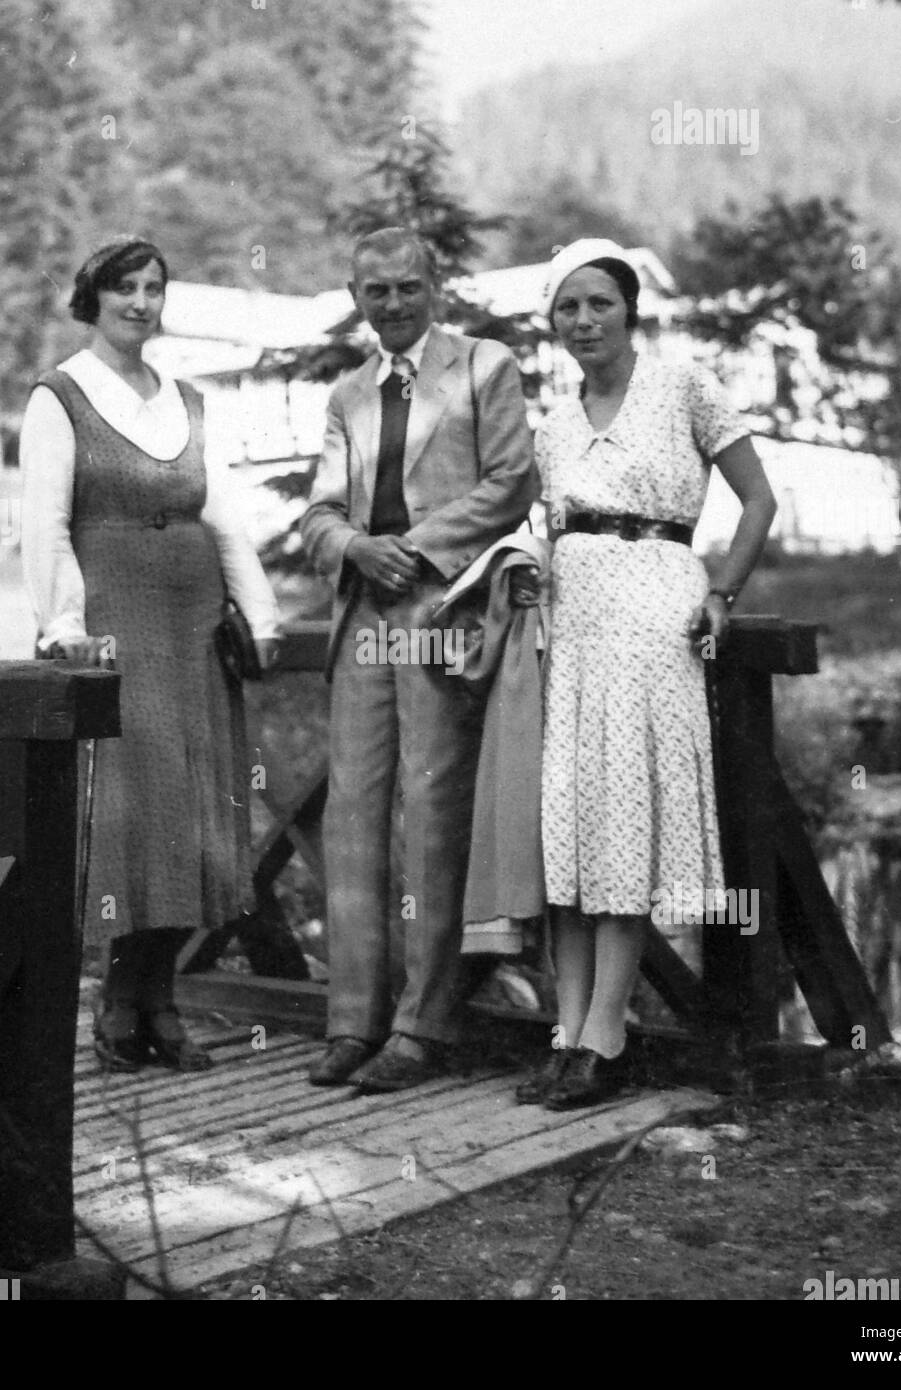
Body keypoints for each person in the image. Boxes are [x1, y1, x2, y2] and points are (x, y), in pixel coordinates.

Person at [518, 238, 777, 1110]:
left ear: (630, 310)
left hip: (655, 617)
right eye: (568, 307)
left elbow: (759, 498)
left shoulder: (683, 387)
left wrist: (724, 592)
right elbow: (547, 529)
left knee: (624, 820)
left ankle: (607, 1036)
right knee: (573, 824)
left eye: (600, 303)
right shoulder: (554, 425)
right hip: (573, 630)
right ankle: (566, 1035)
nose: (584, 320)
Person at [20, 236, 280, 1073]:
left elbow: (224, 515)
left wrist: (259, 614)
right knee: (132, 814)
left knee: (194, 811)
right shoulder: (60, 396)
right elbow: (44, 524)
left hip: (194, 619)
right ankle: (117, 1004)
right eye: (124, 287)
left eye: (153, 287)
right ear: (91, 298)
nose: (140, 302)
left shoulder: (189, 400)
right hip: (114, 619)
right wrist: (63, 625)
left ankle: (160, 1001)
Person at [299, 227, 537, 1092]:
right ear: (356, 298)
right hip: (366, 611)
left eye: (408, 286)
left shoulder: (483, 368)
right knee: (352, 813)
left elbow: (511, 482)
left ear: (433, 285)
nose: (393, 303)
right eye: (377, 291)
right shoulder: (348, 394)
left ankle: (423, 1025)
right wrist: (357, 549)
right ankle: (351, 1021)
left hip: (445, 607)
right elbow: (319, 513)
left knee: (435, 809)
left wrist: (416, 547)